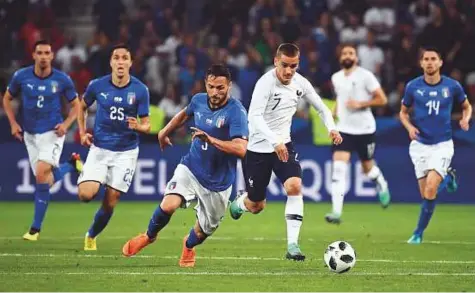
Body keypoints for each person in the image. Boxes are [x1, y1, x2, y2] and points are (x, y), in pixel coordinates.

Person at [122, 64, 248, 268]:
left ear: (229, 86)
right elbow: (184, 114)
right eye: (211, 87)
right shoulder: (198, 100)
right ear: (206, 84)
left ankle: (188, 246)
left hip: (218, 183)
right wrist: (164, 131)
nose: (215, 92)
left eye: (220, 88)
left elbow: (242, 149)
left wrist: (211, 139)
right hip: (191, 167)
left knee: (202, 231)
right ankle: (149, 236)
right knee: (168, 204)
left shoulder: (237, 112)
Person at [229, 43, 342, 261]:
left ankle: (293, 245)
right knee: (256, 205)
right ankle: (241, 202)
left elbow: (321, 108)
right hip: (258, 150)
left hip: (284, 146)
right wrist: (273, 141)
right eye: (285, 66)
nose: (289, 71)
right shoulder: (265, 83)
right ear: (275, 62)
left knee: (294, 186)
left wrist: (332, 128)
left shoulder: (300, 83)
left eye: (294, 66)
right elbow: (254, 117)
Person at [2, 40, 82, 241]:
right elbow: (6, 98)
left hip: (52, 133)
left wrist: (66, 124)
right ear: (34, 55)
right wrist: (13, 123)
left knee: (40, 174)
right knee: (44, 179)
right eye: (40, 53)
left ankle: (35, 229)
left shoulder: (62, 79)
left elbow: (77, 105)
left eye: (47, 52)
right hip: (30, 134)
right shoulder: (21, 76)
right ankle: (71, 166)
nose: (44, 56)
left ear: (52, 56)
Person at [76, 44, 151, 251]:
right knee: (85, 195)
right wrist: (82, 133)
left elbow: (147, 124)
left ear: (130, 63)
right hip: (100, 149)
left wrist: (140, 126)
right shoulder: (97, 86)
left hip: (126, 152)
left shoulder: (140, 90)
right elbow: (81, 107)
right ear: (111, 62)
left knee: (111, 202)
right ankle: (83, 171)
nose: (120, 61)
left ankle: (91, 235)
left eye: (124, 58)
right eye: (116, 57)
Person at [400, 47, 472, 244]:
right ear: (421, 63)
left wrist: (466, 119)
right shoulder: (413, 87)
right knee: (425, 194)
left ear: (440, 62)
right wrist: (409, 127)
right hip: (419, 145)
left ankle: (417, 233)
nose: (430, 62)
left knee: (431, 189)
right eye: (426, 59)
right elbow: (403, 112)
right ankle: (448, 177)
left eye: (433, 59)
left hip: (442, 144)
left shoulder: (452, 86)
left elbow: (466, 106)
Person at [325, 43, 391, 225]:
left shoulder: (366, 76)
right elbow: (340, 98)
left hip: (365, 130)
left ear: (356, 58)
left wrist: (361, 104)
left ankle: (381, 182)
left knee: (367, 169)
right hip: (344, 130)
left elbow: (382, 99)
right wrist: (334, 112)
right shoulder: (336, 77)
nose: (347, 56)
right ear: (340, 58)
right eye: (344, 53)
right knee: (338, 169)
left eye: (351, 53)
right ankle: (336, 212)